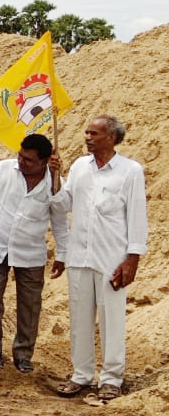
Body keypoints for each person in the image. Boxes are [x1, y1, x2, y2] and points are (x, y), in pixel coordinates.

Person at [52, 116, 147, 400]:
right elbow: (63, 204)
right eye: (87, 133)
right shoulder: (80, 166)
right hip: (79, 255)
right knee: (79, 319)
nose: (88, 138)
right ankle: (81, 375)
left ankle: (112, 378)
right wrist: (54, 176)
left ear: (111, 138)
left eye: (94, 133)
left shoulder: (130, 171)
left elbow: (137, 216)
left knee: (112, 319)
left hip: (112, 258)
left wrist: (132, 259)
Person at [0, 134, 67, 373]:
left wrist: (62, 253)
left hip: (30, 252)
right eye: (21, 156)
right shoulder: (3, 169)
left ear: (44, 161)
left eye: (29, 160)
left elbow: (61, 217)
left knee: (30, 305)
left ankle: (23, 354)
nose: (22, 162)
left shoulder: (55, 182)